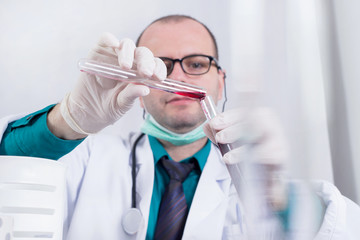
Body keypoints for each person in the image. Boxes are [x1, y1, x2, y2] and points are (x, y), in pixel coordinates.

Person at [0, 15, 359, 240]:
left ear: (221, 81)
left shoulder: (258, 179)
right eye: (159, 66)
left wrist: (277, 198)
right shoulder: (86, 157)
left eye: (197, 63)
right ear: (136, 90)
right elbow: (11, 174)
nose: (177, 77)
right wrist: (69, 120)